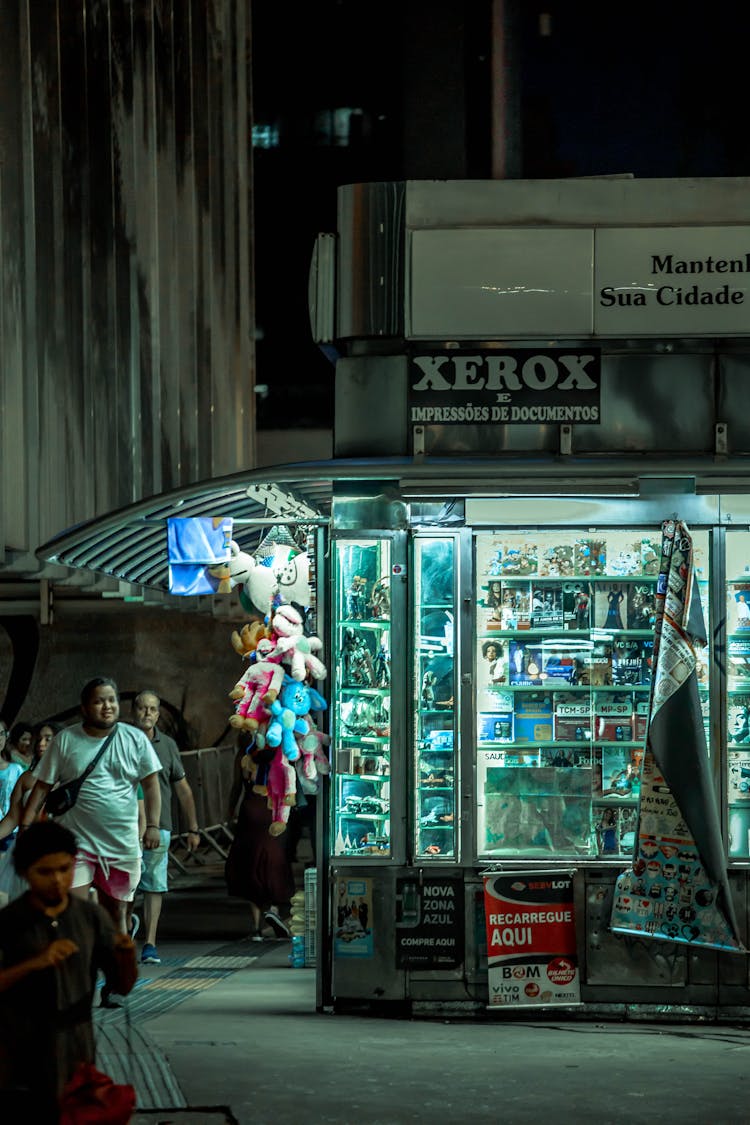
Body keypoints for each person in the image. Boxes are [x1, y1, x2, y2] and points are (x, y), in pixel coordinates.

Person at [0, 820, 137, 1120]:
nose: (58, 880)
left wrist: (126, 956)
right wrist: (36, 962)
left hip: (76, 1041)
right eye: (45, 872)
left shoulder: (90, 917)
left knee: (74, 1111)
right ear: (25, 873)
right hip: (18, 1042)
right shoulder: (9, 922)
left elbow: (122, 985)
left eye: (65, 869)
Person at [20, 678, 162, 939]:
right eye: (99, 701)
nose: (107, 706)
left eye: (112, 700)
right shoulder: (65, 740)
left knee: (116, 913)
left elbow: (152, 786)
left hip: (121, 843)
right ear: (84, 708)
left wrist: (152, 825)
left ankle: (116, 971)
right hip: (77, 841)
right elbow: (42, 787)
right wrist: (26, 826)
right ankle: (82, 970)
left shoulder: (134, 739)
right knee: (74, 910)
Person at [129, 689, 201, 965]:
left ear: (158, 714)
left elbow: (183, 790)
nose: (147, 713)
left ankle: (149, 942)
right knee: (125, 885)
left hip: (159, 827)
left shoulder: (167, 745)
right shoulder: (122, 740)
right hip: (124, 825)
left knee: (154, 884)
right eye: (142, 708)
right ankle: (125, 935)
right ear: (133, 711)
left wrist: (193, 828)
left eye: (152, 709)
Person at [225, 736, 294, 941]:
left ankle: (255, 927)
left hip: (250, 810)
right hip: (273, 812)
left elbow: (237, 786)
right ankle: (272, 910)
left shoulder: (245, 755)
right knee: (273, 862)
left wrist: (229, 812)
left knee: (250, 865)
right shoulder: (279, 753)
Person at [0, 722, 61, 905]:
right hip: (27, 848)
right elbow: (12, 819)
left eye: (48, 739)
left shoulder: (69, 777)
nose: (42, 743)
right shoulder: (26, 778)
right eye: (39, 739)